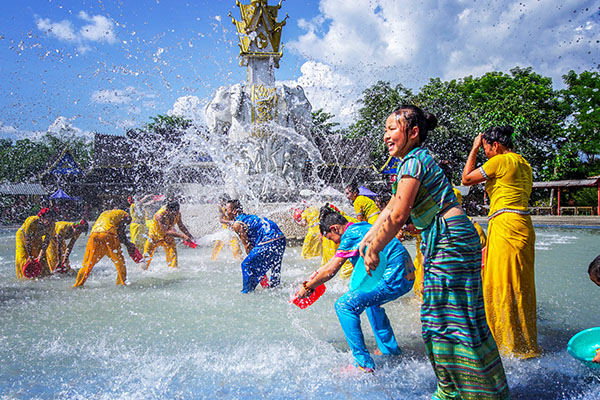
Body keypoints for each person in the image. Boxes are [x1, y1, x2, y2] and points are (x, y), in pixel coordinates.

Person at [362, 105, 509, 399]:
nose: (385, 136)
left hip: (449, 239)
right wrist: (367, 238)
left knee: (442, 318)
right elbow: (390, 207)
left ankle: (460, 391)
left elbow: (400, 214)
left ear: (413, 132)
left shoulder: (412, 163)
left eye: (392, 129)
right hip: (450, 238)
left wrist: (375, 248)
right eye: (385, 130)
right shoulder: (414, 161)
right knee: (455, 316)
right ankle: (473, 388)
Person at [296, 204, 415, 372]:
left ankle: (362, 364)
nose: (334, 243)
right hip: (407, 276)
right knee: (371, 303)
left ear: (335, 228)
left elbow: (331, 270)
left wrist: (307, 288)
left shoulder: (350, 235)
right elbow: (329, 265)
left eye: (331, 238)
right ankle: (389, 350)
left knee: (344, 305)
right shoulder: (361, 227)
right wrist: (312, 279)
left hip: (394, 277)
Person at [462, 125, 540, 359]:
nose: (485, 152)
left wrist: (474, 149)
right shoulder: (524, 163)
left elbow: (466, 179)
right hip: (522, 226)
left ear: (495, 145)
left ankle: (507, 345)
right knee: (520, 284)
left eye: (486, 148)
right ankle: (525, 342)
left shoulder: (501, 160)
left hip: (506, 225)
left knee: (501, 284)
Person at [224, 199, 286, 293]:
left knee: (246, 265)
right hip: (280, 238)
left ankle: (246, 293)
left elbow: (247, 247)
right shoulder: (249, 217)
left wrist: (254, 264)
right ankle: (275, 287)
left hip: (269, 239)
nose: (225, 213)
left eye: (226, 210)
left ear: (234, 211)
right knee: (275, 265)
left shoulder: (237, 224)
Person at [73, 208, 139, 287]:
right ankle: (122, 284)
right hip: (109, 234)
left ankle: (78, 284)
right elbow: (121, 232)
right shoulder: (125, 215)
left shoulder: (105, 213)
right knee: (120, 262)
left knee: (87, 264)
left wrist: (126, 243)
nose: (127, 224)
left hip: (94, 235)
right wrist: (128, 244)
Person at [143, 200, 193, 270]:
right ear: (168, 210)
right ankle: (142, 272)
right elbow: (166, 231)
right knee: (145, 260)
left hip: (168, 238)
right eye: (174, 212)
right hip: (154, 237)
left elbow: (181, 226)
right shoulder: (160, 215)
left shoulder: (178, 213)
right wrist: (183, 236)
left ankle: (173, 274)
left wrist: (190, 236)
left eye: (177, 211)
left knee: (174, 261)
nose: (176, 214)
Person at [15, 208, 57, 279]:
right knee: (23, 255)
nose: (49, 221)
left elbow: (46, 242)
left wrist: (40, 255)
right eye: (47, 218)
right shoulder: (32, 221)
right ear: (41, 217)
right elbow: (27, 241)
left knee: (42, 257)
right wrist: (30, 256)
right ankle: (23, 277)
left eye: (51, 218)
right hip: (23, 236)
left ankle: (44, 274)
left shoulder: (52, 225)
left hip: (37, 237)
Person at [211, 194, 243, 261]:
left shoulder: (233, 207)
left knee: (235, 246)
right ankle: (213, 259)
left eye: (223, 202)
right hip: (226, 230)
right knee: (218, 244)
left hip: (233, 231)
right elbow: (221, 220)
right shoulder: (221, 208)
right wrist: (230, 222)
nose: (221, 204)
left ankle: (240, 260)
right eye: (221, 202)